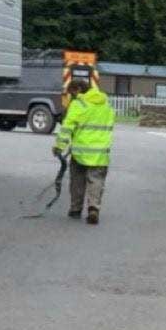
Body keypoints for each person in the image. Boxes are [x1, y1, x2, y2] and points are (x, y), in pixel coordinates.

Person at [54, 77, 114, 224]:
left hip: (80, 152)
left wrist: (59, 147)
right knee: (97, 181)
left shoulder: (78, 104)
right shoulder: (105, 104)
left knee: (77, 181)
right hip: (100, 153)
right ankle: (94, 208)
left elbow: (67, 127)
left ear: (78, 90)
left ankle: (75, 209)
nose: (71, 97)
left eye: (71, 93)